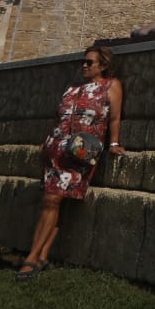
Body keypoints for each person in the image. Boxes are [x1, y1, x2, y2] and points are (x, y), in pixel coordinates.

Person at [19, 46, 125, 280]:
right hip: (55, 149)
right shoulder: (72, 89)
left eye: (90, 62)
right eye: (83, 62)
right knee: (56, 203)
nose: (84, 66)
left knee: (51, 200)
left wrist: (114, 143)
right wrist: (45, 143)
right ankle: (43, 255)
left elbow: (114, 117)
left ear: (103, 66)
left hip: (80, 152)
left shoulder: (111, 86)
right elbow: (59, 118)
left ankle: (30, 257)